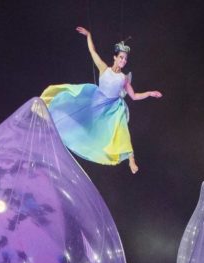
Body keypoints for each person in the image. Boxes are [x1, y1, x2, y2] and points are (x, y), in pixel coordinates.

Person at [41, 27, 163, 174]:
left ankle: (131, 159)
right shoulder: (104, 69)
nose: (123, 61)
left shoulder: (123, 79)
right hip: (96, 100)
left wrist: (150, 93)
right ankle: (49, 117)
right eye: (121, 58)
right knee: (75, 108)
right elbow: (93, 52)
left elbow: (134, 96)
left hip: (111, 108)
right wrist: (89, 35)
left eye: (125, 59)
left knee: (122, 128)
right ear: (115, 57)